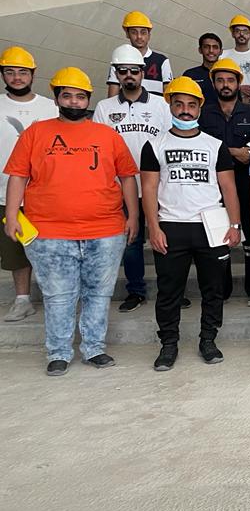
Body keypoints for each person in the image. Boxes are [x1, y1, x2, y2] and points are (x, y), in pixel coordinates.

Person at [4, 67, 138, 376]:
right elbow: (18, 176)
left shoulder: (107, 135)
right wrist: (11, 215)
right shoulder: (35, 133)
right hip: (49, 232)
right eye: (67, 96)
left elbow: (128, 177)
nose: (74, 102)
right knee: (58, 296)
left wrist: (132, 216)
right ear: (56, 98)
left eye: (80, 96)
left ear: (88, 100)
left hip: (105, 230)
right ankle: (59, 352)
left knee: (98, 294)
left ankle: (94, 348)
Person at [140, 76, 241, 371]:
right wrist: (153, 227)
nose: (185, 110)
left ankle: (208, 339)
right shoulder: (154, 145)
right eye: (179, 104)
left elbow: (229, 188)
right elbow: (148, 189)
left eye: (191, 105)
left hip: (211, 226)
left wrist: (235, 226)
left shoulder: (215, 145)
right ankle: (168, 344)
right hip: (171, 226)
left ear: (199, 108)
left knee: (213, 289)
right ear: (170, 106)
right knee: (169, 291)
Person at [93, 43, 173, 313]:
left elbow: (169, 144)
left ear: (143, 72)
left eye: (134, 71)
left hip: (157, 186)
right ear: (116, 73)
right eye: (123, 70)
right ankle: (136, 291)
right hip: (121, 188)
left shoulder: (161, 105)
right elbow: (100, 149)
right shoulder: (104, 108)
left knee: (165, 239)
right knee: (131, 241)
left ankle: (169, 290)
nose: (129, 75)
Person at [197, 58, 250, 305]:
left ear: (238, 83)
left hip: (247, 184)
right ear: (213, 83)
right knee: (219, 238)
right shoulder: (204, 114)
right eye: (220, 80)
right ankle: (221, 290)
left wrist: (223, 151)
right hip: (213, 187)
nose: (225, 85)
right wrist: (235, 151)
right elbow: (201, 148)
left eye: (230, 80)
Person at [0, 46, 57, 322]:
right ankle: (22, 300)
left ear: (33, 75)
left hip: (46, 193)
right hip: (5, 192)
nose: (17, 77)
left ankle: (57, 297)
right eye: (10, 72)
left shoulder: (49, 107)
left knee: (52, 250)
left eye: (22, 72)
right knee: (15, 251)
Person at [105, 11, 173, 98]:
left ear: (149, 35)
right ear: (127, 34)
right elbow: (112, 98)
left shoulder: (162, 61)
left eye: (143, 32)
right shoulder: (118, 60)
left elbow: (169, 97)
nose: (139, 36)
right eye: (134, 32)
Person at [221, 15, 250, 103]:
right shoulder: (223, 55)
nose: (241, 34)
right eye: (237, 31)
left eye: (245, 31)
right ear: (232, 34)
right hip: (231, 102)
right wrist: (238, 88)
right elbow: (218, 80)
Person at [183, 33, 223, 105]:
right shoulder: (190, 75)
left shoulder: (228, 75)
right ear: (200, 50)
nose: (211, 50)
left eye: (215, 47)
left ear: (221, 51)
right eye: (206, 47)